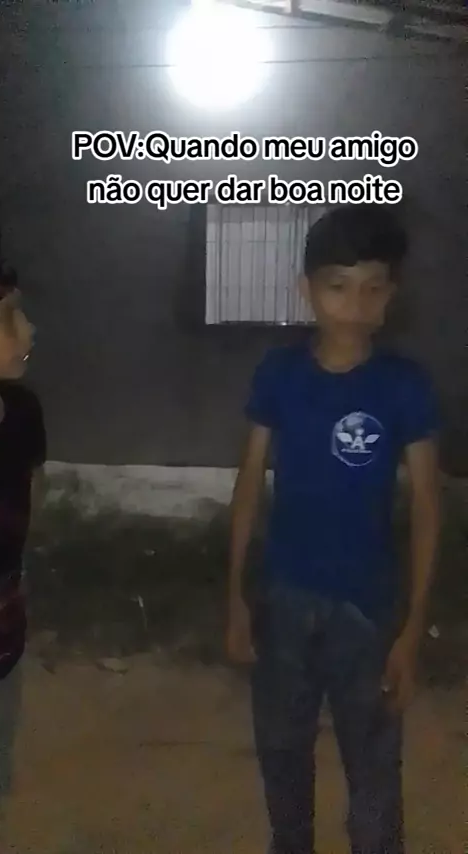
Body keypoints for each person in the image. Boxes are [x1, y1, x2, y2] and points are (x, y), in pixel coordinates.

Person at [226, 205, 440, 854]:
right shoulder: (279, 375)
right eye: (338, 286)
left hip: (367, 611)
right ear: (307, 290)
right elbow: (249, 483)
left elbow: (427, 505)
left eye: (373, 287)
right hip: (283, 601)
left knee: (374, 778)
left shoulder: (404, 386)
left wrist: (412, 629)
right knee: (282, 756)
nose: (355, 305)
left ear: (391, 294)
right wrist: (236, 597)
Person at [0, 258, 46, 854]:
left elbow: (32, 502)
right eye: (7, 318)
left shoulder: (23, 414)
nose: (28, 331)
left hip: (1, 644)